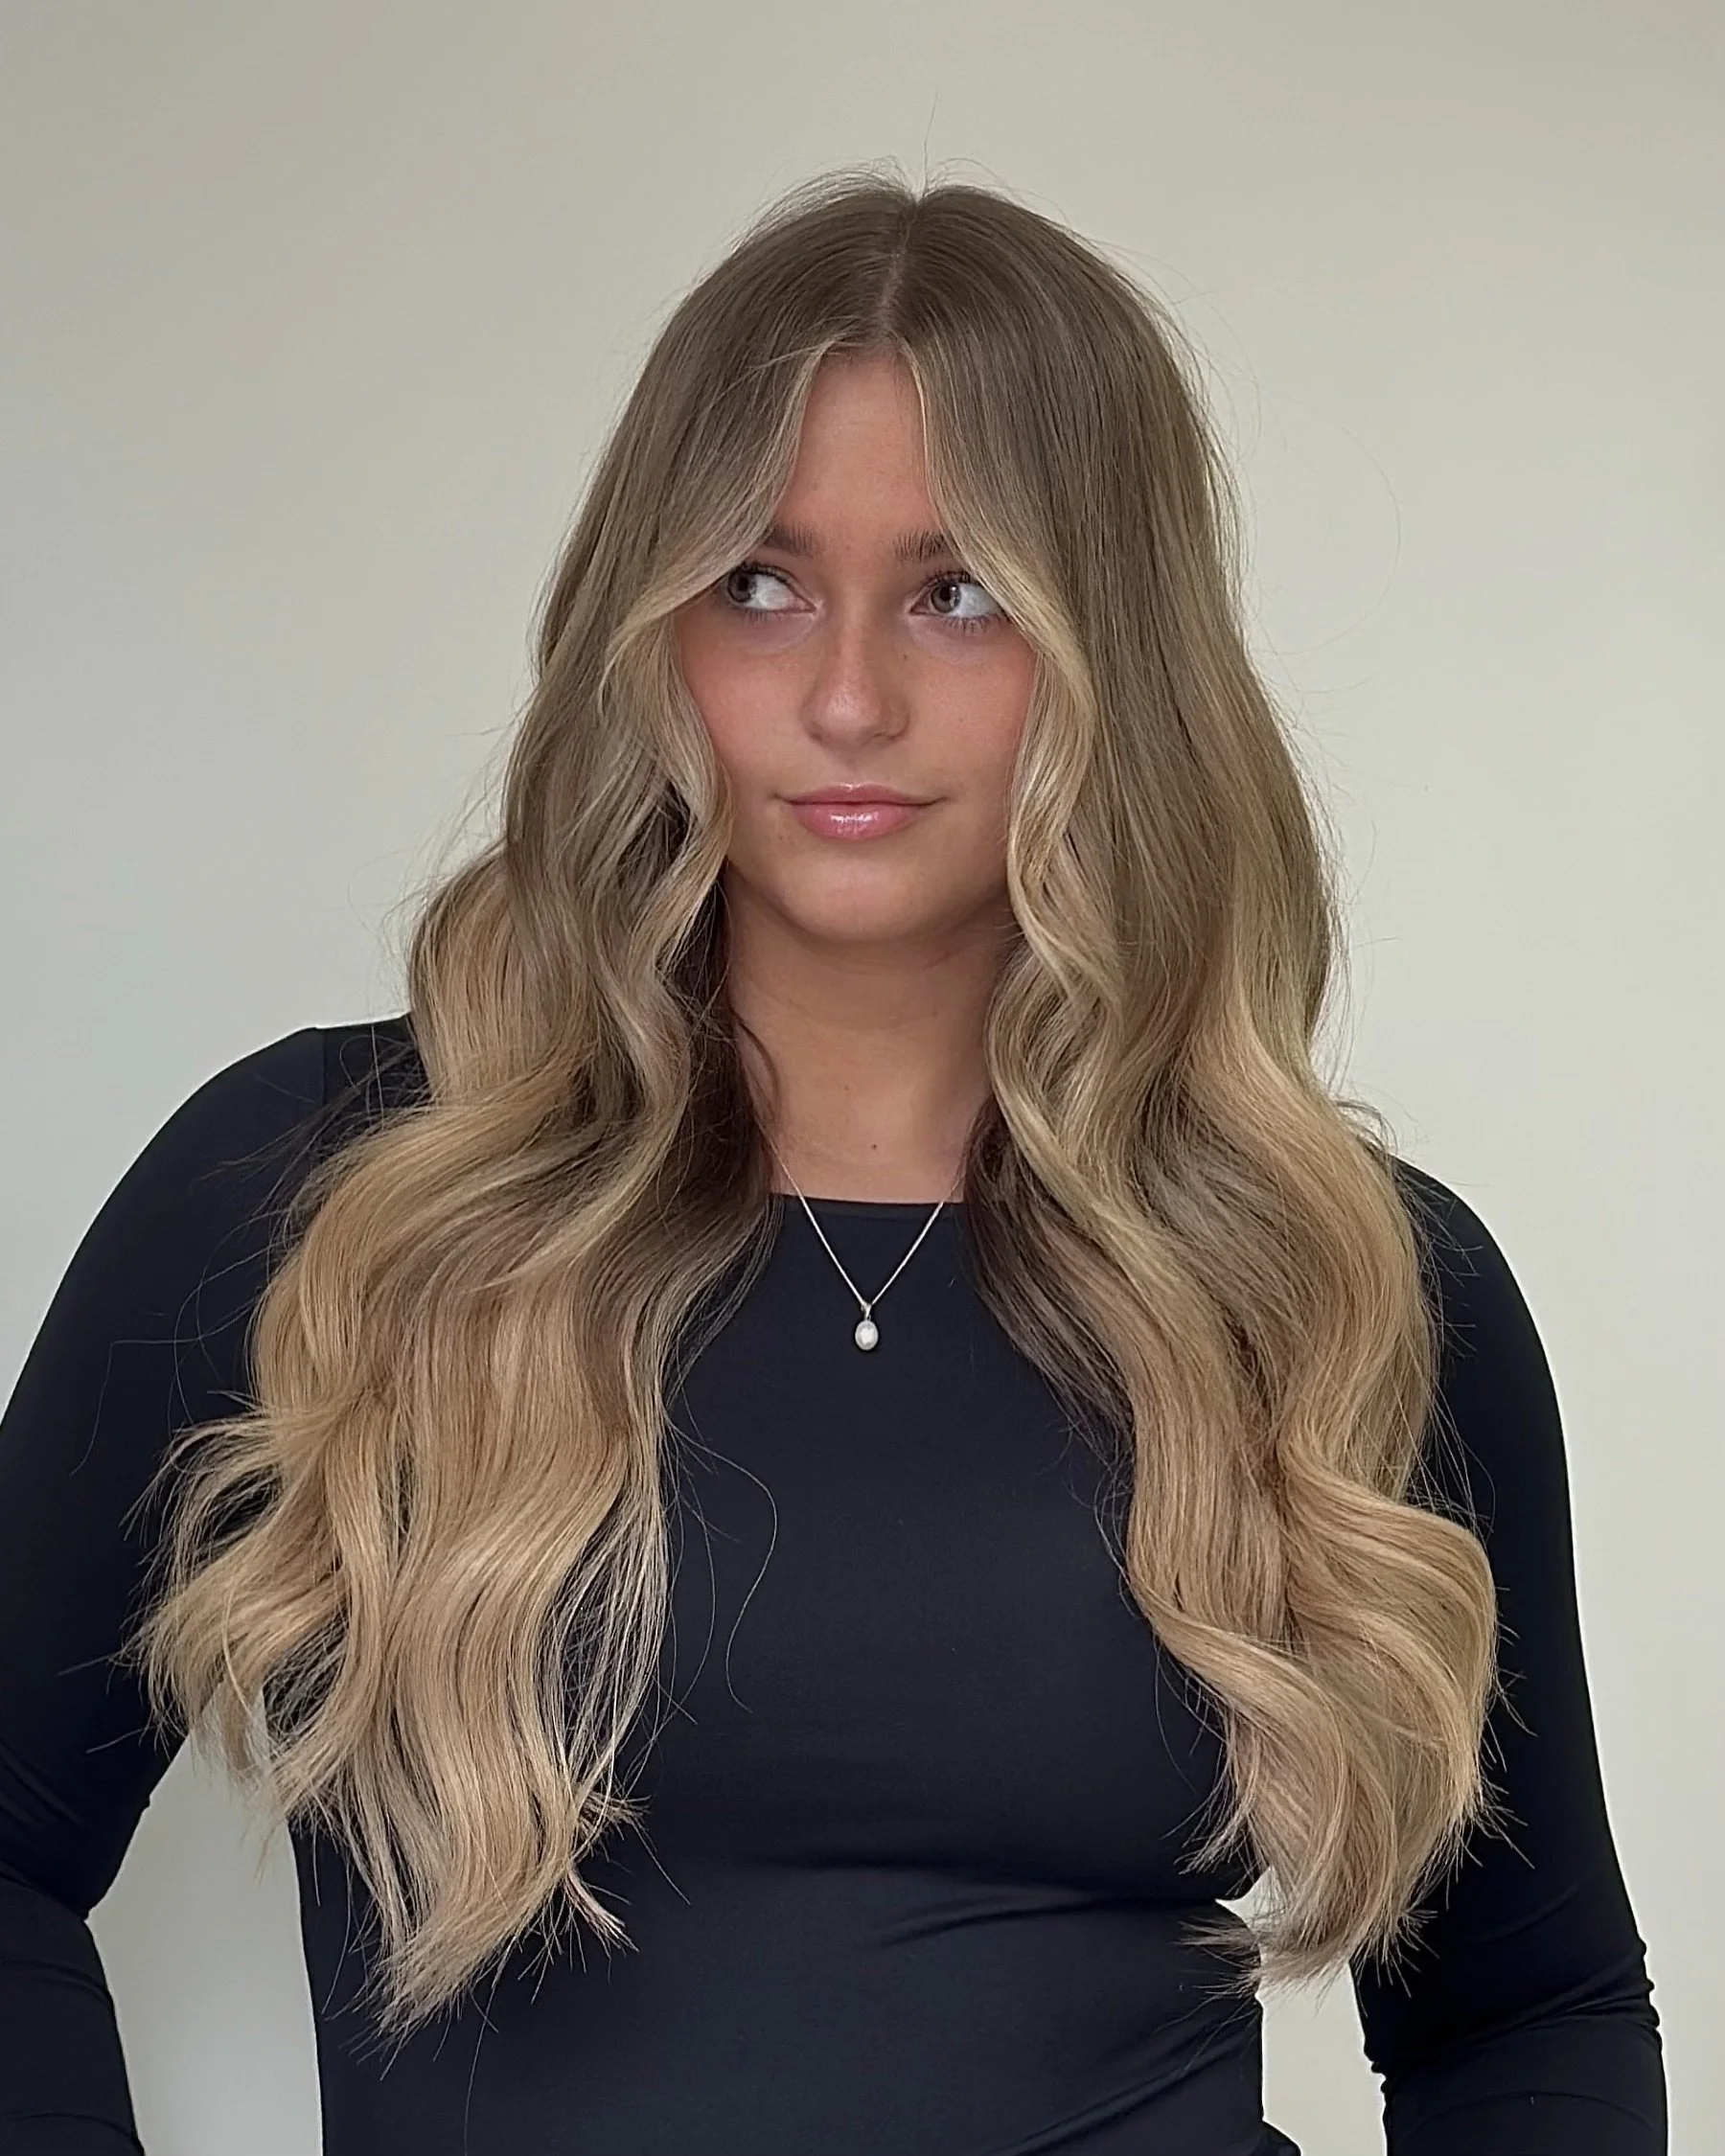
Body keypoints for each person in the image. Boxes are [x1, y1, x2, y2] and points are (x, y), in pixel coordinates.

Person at [0, 170, 1665, 2156]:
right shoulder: (334, 1196)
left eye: (958, 594)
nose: (850, 694)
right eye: (762, 584)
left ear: (1110, 652)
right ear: (655, 625)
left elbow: (1532, 2013)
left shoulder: (1339, 1283)